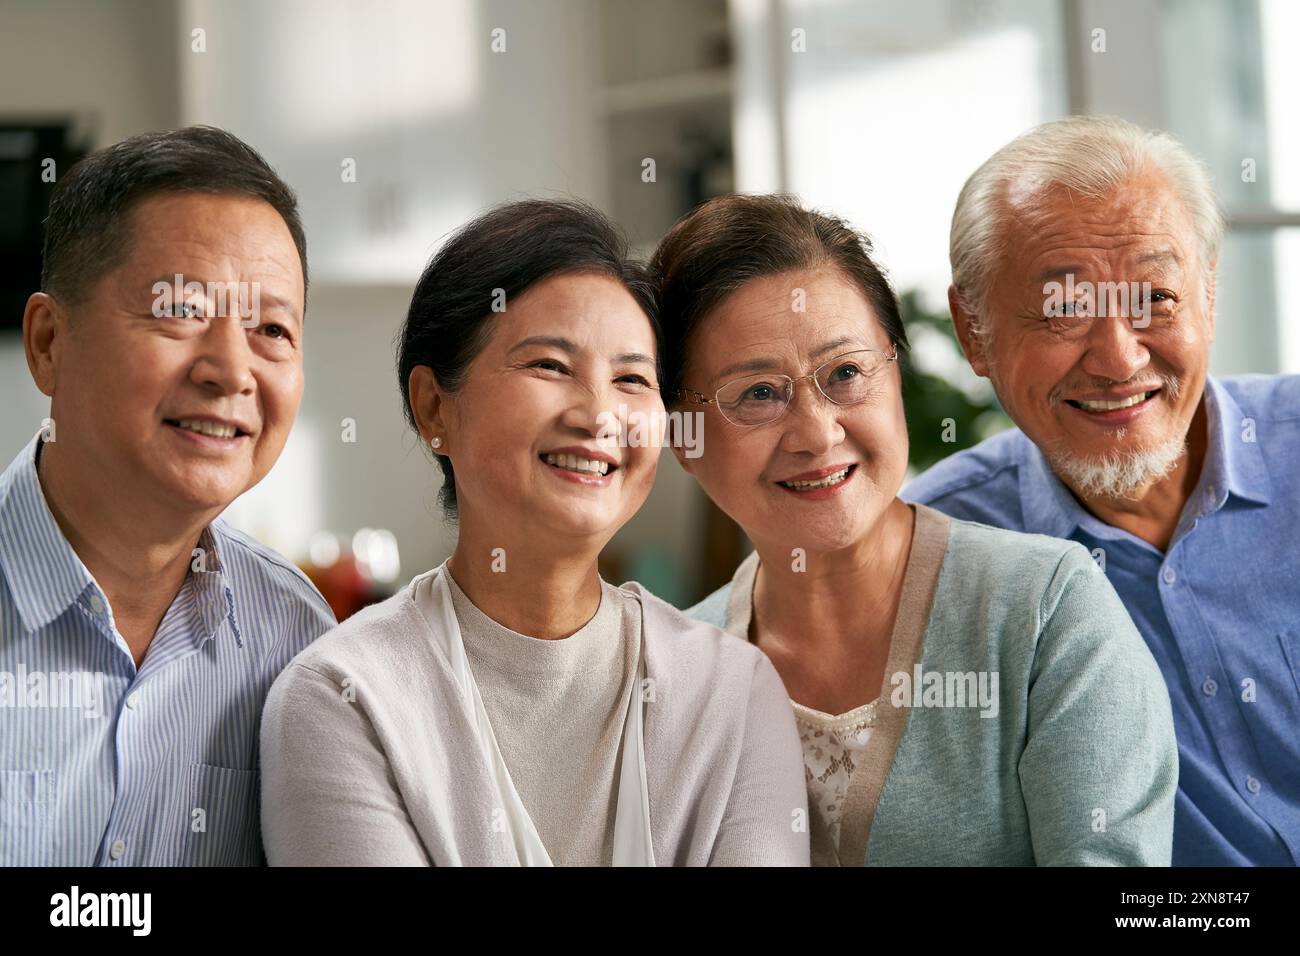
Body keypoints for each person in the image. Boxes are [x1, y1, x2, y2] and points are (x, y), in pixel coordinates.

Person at [259, 200, 808, 866]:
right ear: (434, 405)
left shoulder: (731, 691)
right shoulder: (345, 696)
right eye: (550, 365)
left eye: (632, 379)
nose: (600, 414)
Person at [653, 193, 1177, 866]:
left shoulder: (1045, 611)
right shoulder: (671, 675)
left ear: (896, 372)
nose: (817, 432)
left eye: (845, 373)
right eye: (758, 393)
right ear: (683, 437)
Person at [902, 115, 1300, 866]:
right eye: (1063, 310)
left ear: (1209, 294)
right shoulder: (934, 554)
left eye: (1155, 297)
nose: (1119, 360)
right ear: (973, 330)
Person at [0, 126, 335, 866]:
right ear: (50, 342)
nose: (231, 369)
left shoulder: (297, 640)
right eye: (181, 310)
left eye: (271, 329)